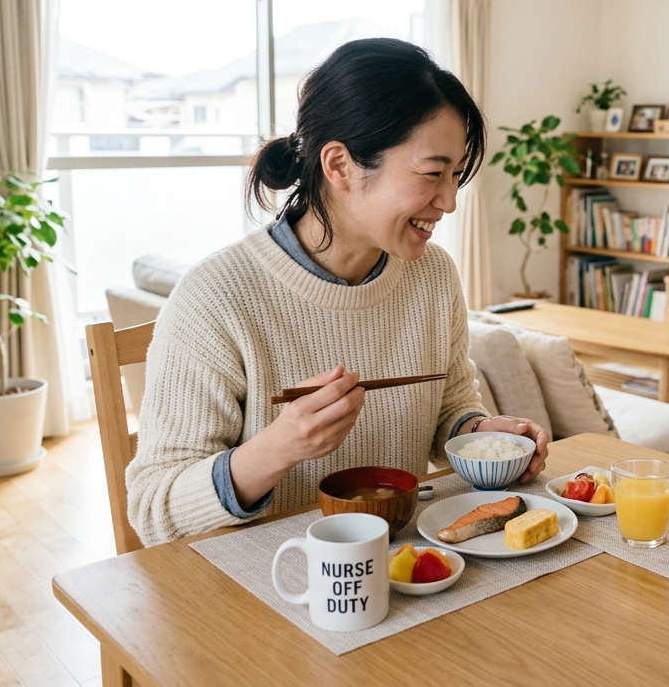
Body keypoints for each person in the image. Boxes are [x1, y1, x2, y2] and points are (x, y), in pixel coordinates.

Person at [126, 38, 550, 546]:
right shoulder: (216, 297)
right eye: (433, 173)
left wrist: (483, 437)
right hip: (272, 580)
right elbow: (153, 509)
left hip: (405, 565)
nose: (449, 202)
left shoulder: (433, 275)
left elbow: (448, 408)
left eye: (456, 176)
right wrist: (278, 447)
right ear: (340, 166)